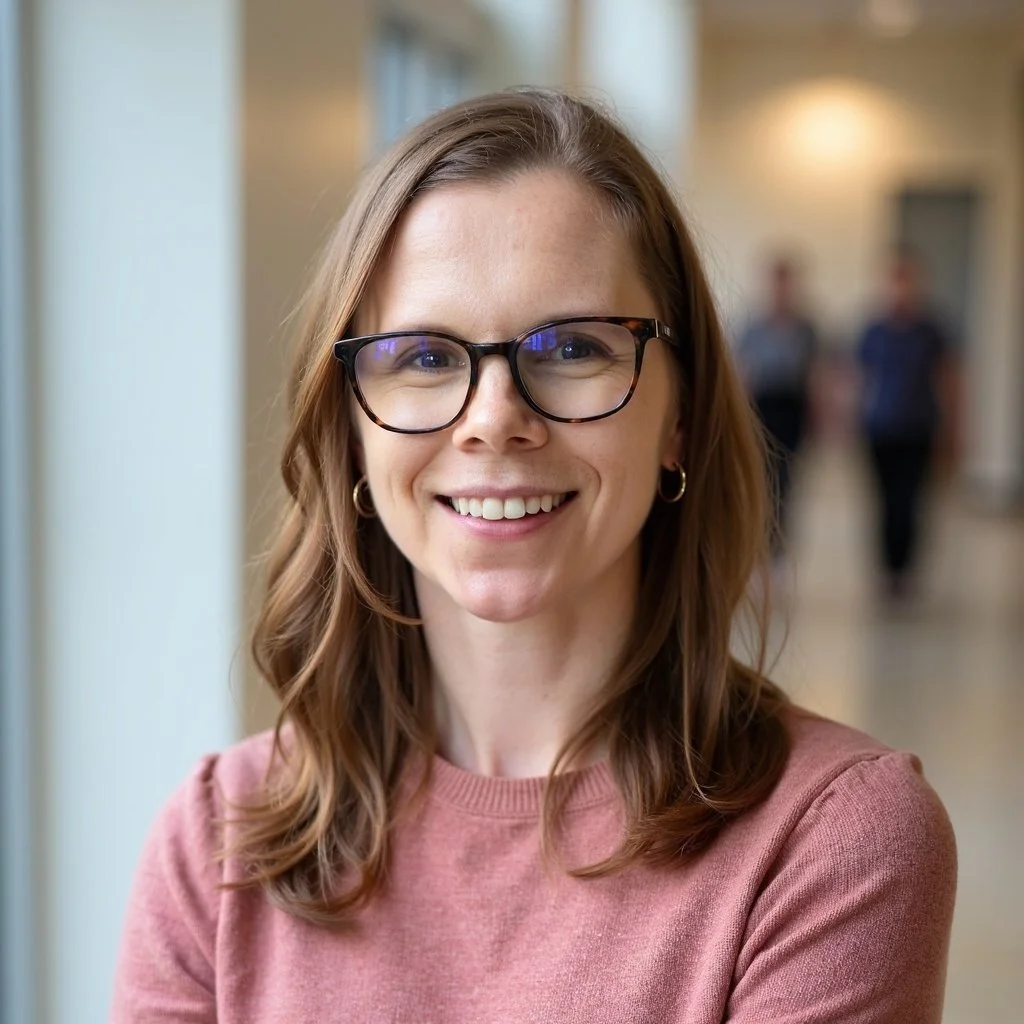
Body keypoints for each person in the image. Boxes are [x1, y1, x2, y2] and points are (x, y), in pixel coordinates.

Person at [111, 90, 955, 1022]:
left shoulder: (832, 841)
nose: (494, 421)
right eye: (424, 357)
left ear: (678, 415)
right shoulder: (215, 843)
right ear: (352, 427)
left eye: (572, 346)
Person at [858, 247, 956, 599]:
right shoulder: (874, 330)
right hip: (879, 428)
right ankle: (887, 570)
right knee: (884, 502)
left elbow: (948, 379)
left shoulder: (932, 330)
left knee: (911, 501)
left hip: (919, 427)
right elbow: (858, 379)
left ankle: (906, 571)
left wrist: (953, 427)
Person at [736, 255, 819, 558]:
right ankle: (762, 541)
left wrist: (817, 417)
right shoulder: (753, 327)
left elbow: (814, 374)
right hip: (763, 408)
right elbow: (743, 372)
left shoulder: (806, 328)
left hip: (793, 408)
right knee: (762, 478)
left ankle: (779, 547)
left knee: (787, 480)